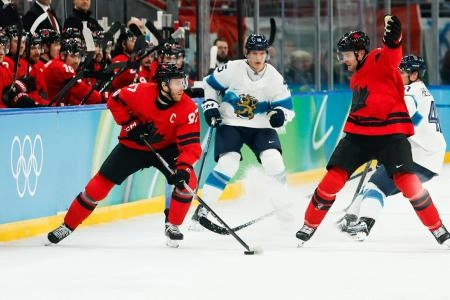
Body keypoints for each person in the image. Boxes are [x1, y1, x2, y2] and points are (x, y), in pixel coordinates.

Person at [295, 16, 450, 248]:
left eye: (347, 54)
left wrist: (394, 38)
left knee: (403, 183)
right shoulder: (359, 75)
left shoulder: (380, 60)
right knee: (333, 180)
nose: (343, 60)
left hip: (392, 138)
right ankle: (312, 224)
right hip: (360, 137)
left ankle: (437, 229)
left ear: (360, 53)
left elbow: (391, 53)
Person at [47, 63, 201, 248]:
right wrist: (130, 124)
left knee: (187, 182)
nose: (182, 87)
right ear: (163, 85)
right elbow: (114, 100)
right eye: (177, 82)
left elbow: (190, 145)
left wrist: (183, 168)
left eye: (182, 81)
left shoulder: (188, 108)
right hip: (133, 146)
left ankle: (172, 225)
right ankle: (67, 225)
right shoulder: (139, 92)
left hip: (167, 149)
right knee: (98, 187)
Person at [189, 33, 294, 229]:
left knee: (273, 160)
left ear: (266, 54)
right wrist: (210, 105)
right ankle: (204, 209)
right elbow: (209, 84)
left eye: (261, 53)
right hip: (231, 123)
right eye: (254, 53)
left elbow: (287, 107)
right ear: (246, 53)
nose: (257, 58)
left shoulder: (275, 77)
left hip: (262, 127)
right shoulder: (232, 69)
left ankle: (281, 204)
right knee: (228, 163)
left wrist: (280, 114)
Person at [337, 55, 447, 241]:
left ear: (413, 75)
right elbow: (412, 123)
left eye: (401, 72)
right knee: (376, 182)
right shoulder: (421, 91)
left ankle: (364, 223)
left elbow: (402, 116)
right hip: (428, 157)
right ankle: (349, 219)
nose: (396, 75)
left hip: (418, 156)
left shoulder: (409, 92)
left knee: (376, 186)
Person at [43, 37, 102, 105]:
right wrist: (102, 99)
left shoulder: (55, 64)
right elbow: (89, 95)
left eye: (79, 56)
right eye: (73, 56)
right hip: (46, 111)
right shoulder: (61, 68)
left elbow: (71, 97)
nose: (76, 61)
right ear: (63, 55)